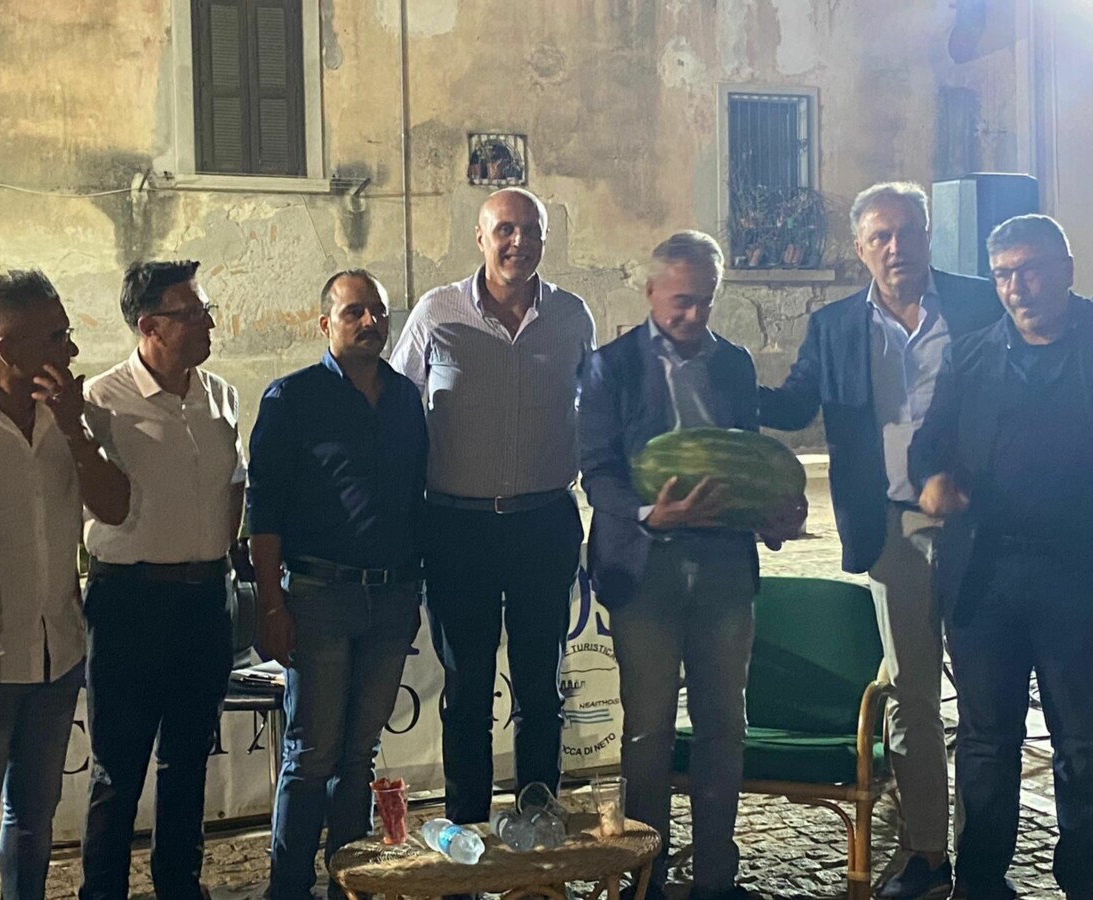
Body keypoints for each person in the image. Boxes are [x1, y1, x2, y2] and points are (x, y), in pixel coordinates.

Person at [759, 182, 1002, 899]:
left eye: (909, 231)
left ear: (928, 234)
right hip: (890, 528)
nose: (897, 248)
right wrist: (717, 374)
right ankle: (928, 852)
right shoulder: (834, 326)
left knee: (987, 702)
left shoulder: (981, 304)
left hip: (981, 528)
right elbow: (794, 405)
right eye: (881, 237)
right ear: (860, 248)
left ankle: (985, 863)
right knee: (912, 698)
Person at [579, 231, 803, 900]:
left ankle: (715, 879)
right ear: (650, 292)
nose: (694, 314)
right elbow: (597, 471)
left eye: (706, 300)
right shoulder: (609, 366)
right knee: (648, 731)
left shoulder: (733, 363)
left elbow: (745, 461)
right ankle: (646, 879)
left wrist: (770, 517)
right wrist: (653, 513)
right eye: (681, 301)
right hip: (644, 567)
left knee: (723, 727)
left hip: (724, 568)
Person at [390, 187, 595, 825]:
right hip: (458, 529)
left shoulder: (573, 316)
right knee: (467, 692)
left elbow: (593, 409)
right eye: (505, 229)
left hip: (543, 523)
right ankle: (469, 832)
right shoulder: (436, 313)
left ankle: (539, 822)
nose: (518, 242)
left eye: (531, 230)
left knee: (540, 689)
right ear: (480, 237)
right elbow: (397, 409)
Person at [0, 270, 129, 900]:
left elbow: (115, 508)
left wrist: (74, 429)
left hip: (58, 652)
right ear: (7, 348)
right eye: (57, 336)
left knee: (34, 817)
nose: (72, 349)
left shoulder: (71, 414)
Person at [910, 215, 1093, 900]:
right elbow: (930, 443)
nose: (1019, 287)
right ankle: (982, 882)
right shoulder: (972, 354)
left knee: (1084, 743)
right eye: (1004, 275)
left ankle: (1084, 878)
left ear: (1066, 270)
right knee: (986, 742)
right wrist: (932, 479)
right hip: (985, 578)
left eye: (1032, 269)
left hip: (1079, 575)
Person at [250, 270, 427, 900]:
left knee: (360, 756)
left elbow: (417, 494)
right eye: (355, 312)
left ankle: (348, 886)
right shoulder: (290, 399)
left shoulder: (406, 397)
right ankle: (289, 888)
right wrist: (271, 604)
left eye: (378, 311)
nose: (370, 322)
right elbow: (263, 511)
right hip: (319, 598)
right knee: (312, 756)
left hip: (393, 598)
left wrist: (416, 589)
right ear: (325, 324)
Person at [79, 260, 246, 900]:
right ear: (149, 326)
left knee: (188, 759)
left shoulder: (221, 394)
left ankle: (180, 884)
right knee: (117, 768)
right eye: (193, 313)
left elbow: (235, 483)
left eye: (206, 311)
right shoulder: (100, 402)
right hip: (131, 601)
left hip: (206, 599)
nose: (209, 324)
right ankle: (103, 891)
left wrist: (219, 557)